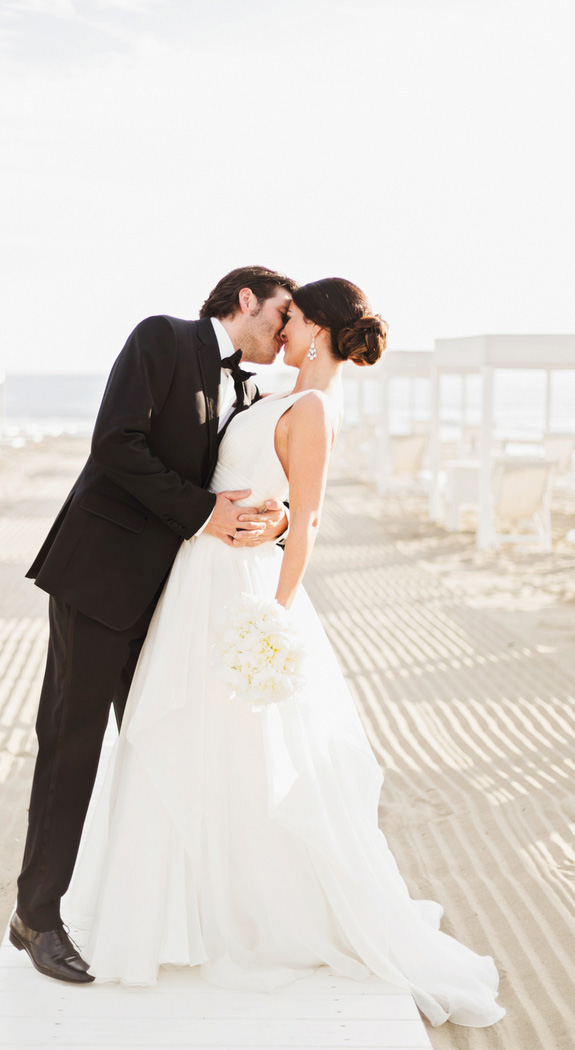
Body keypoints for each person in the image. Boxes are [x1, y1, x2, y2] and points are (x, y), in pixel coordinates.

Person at [64, 278, 505, 1028]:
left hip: (241, 592)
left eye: (294, 318)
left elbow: (307, 522)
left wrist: (277, 617)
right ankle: (175, 910)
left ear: (322, 331)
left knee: (239, 748)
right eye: (282, 312)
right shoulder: (265, 394)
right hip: (196, 579)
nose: (282, 327)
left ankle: (244, 913)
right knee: (181, 736)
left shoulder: (314, 410)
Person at [10, 266, 298, 983]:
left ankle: (162, 911)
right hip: (101, 577)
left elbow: (256, 471)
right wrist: (205, 513)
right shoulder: (160, 339)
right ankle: (36, 916)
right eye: (280, 313)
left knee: (165, 742)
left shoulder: (254, 387)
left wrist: (280, 518)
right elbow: (115, 445)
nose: (285, 329)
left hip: (175, 598)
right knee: (71, 745)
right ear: (244, 300)